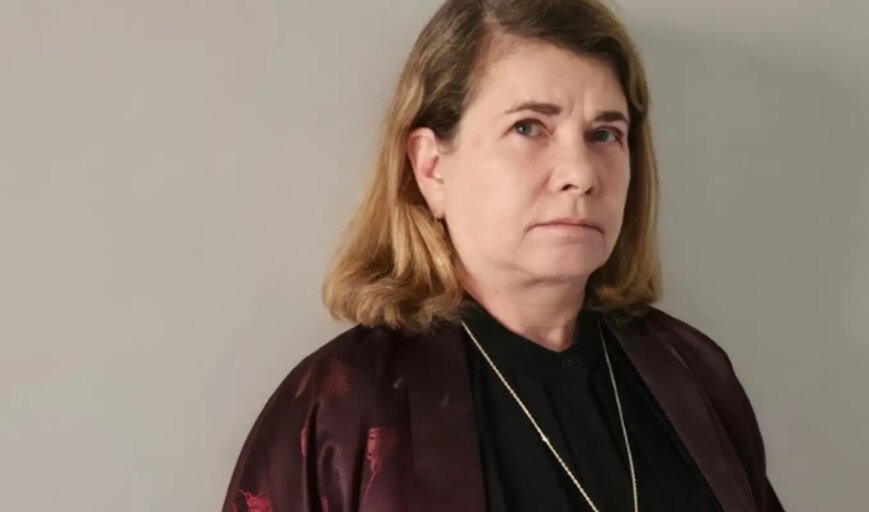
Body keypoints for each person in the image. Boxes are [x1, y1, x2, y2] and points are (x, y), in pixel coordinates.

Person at [222, 0, 784, 511]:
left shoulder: (693, 375)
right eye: (528, 127)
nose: (581, 174)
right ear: (431, 167)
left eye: (604, 134)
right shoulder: (341, 411)